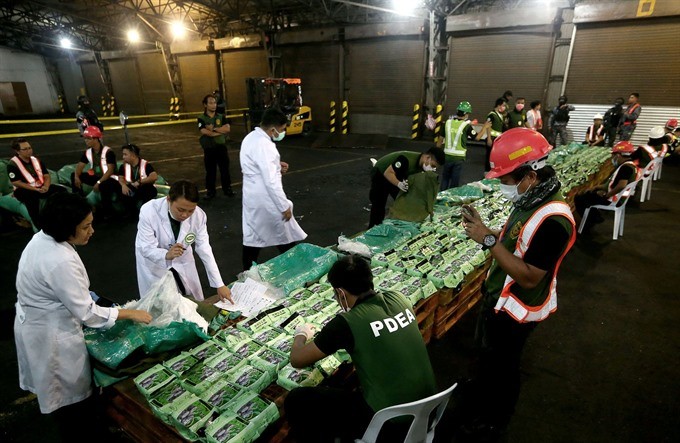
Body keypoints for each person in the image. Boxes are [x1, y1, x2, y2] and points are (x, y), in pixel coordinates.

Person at [457, 128, 576, 440]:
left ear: (529, 175)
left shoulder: (554, 220)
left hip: (516, 310)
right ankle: (481, 396)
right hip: (499, 297)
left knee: (504, 368)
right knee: (489, 360)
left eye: (505, 179)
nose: (502, 185)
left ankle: (494, 421)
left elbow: (528, 275)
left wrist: (487, 240)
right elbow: (517, 235)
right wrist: (487, 229)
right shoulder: (532, 199)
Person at [14, 193, 152, 441]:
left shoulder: (42, 239)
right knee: (70, 400)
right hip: (51, 334)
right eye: (86, 226)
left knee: (70, 399)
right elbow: (87, 313)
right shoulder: (58, 260)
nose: (92, 231)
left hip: (38, 321)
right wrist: (129, 313)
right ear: (66, 228)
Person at [285, 254, 436, 443]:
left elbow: (297, 360)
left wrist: (301, 334)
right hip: (430, 409)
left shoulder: (346, 323)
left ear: (340, 293)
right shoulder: (399, 298)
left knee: (297, 400)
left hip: (392, 423)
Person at [135, 180, 233, 302]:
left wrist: (219, 284)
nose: (185, 215)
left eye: (190, 210)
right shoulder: (149, 211)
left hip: (182, 259)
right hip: (155, 263)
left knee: (192, 301)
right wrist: (166, 254)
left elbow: (204, 248)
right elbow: (145, 247)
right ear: (168, 199)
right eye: (180, 210)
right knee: (162, 306)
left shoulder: (199, 216)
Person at [240, 108, 307, 270]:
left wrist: (276, 166)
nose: (283, 133)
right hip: (266, 199)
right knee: (284, 235)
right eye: (282, 129)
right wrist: (283, 205)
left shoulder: (251, 138)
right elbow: (271, 181)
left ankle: (247, 271)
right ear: (273, 129)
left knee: (254, 237)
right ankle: (297, 269)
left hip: (252, 196)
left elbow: (258, 165)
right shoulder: (266, 146)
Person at [368, 147, 445, 227]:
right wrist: (399, 184)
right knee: (379, 203)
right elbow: (388, 173)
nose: (432, 169)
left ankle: (399, 222)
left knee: (402, 199)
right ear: (427, 157)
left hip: (398, 174)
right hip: (381, 173)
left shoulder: (421, 165)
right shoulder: (406, 159)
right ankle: (372, 228)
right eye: (432, 165)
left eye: (435, 167)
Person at [574, 141, 639, 232]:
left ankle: (591, 221)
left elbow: (621, 185)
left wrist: (607, 195)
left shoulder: (625, 168)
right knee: (590, 194)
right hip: (620, 198)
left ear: (619, 155)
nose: (613, 158)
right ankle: (595, 217)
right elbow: (613, 183)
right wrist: (598, 187)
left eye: (614, 155)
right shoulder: (631, 165)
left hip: (615, 199)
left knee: (580, 198)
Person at [7, 138, 66, 229]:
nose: (29, 151)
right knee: (31, 199)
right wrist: (34, 189)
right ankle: (39, 226)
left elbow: (46, 175)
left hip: (40, 187)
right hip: (24, 190)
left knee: (61, 190)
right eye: (25, 149)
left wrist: (46, 186)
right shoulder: (12, 164)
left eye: (29, 148)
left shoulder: (36, 160)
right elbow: (16, 182)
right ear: (17, 151)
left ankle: (60, 218)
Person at [71, 125, 120, 219]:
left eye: (88, 139)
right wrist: (76, 177)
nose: (86, 141)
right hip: (97, 177)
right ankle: (80, 205)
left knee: (104, 185)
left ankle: (108, 212)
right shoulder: (88, 152)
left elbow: (110, 171)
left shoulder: (108, 152)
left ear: (96, 139)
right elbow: (80, 166)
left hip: (110, 178)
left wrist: (99, 182)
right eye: (85, 139)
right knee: (74, 175)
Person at [439, 101, 487, 190]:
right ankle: (451, 199)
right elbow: (477, 138)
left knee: (445, 178)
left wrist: (436, 155)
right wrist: (484, 127)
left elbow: (440, 140)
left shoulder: (447, 123)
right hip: (458, 158)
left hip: (447, 156)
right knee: (454, 181)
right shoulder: (466, 126)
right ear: (466, 114)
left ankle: (440, 197)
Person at [197, 94, 234, 198]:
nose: (214, 105)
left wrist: (213, 129)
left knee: (225, 169)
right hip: (209, 149)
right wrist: (220, 131)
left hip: (221, 147)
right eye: (211, 103)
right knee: (210, 171)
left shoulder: (221, 116)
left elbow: (227, 129)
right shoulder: (201, 118)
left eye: (215, 103)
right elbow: (204, 131)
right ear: (205, 105)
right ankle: (210, 191)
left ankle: (227, 189)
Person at [117, 143, 158, 216]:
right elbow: (120, 177)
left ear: (133, 155)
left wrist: (140, 182)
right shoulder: (123, 166)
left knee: (150, 190)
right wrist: (123, 185)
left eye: (125, 154)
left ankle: (144, 213)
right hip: (131, 187)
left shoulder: (145, 164)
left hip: (143, 187)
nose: (123, 157)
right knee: (122, 192)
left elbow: (154, 176)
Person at [483, 98, 507, 171]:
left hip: (498, 139)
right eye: (503, 105)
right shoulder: (492, 115)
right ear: (499, 105)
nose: (504, 107)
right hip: (492, 138)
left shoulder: (500, 115)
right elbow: (488, 126)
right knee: (489, 157)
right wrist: (489, 139)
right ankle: (487, 172)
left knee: (495, 157)